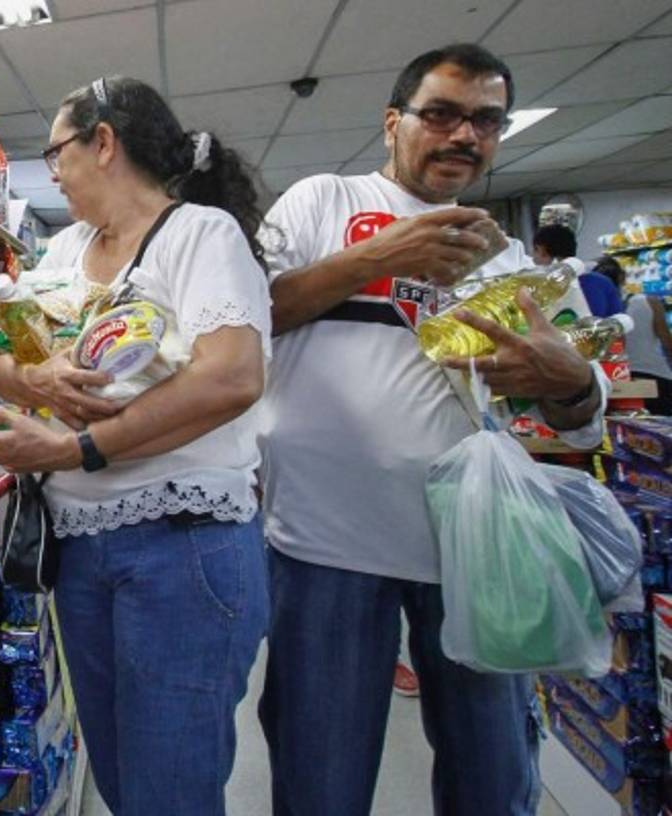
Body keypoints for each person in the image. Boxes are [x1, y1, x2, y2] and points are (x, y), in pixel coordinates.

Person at [258, 44, 608, 816]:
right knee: (321, 778)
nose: (464, 135)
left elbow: (582, 412)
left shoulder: (512, 257)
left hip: (480, 550)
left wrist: (572, 384)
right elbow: (250, 318)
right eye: (442, 113)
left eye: (486, 120)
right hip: (324, 543)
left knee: (494, 781)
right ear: (394, 122)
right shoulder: (324, 201)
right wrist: (375, 256)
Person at [0, 76, 270, 815]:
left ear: (104, 144)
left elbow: (232, 378)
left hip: (183, 549)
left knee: (172, 789)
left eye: (57, 152)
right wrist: (42, 375)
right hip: (83, 553)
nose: (54, 172)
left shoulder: (200, 235)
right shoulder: (64, 250)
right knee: (124, 781)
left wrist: (78, 449)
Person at [535, 223, 624, 317]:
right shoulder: (602, 282)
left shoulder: (545, 288)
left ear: (543, 251)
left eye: (535, 250)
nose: (533, 258)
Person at [625, 292, 672, 415]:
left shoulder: (616, 308)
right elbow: (665, 339)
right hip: (655, 373)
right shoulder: (650, 301)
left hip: (625, 375)